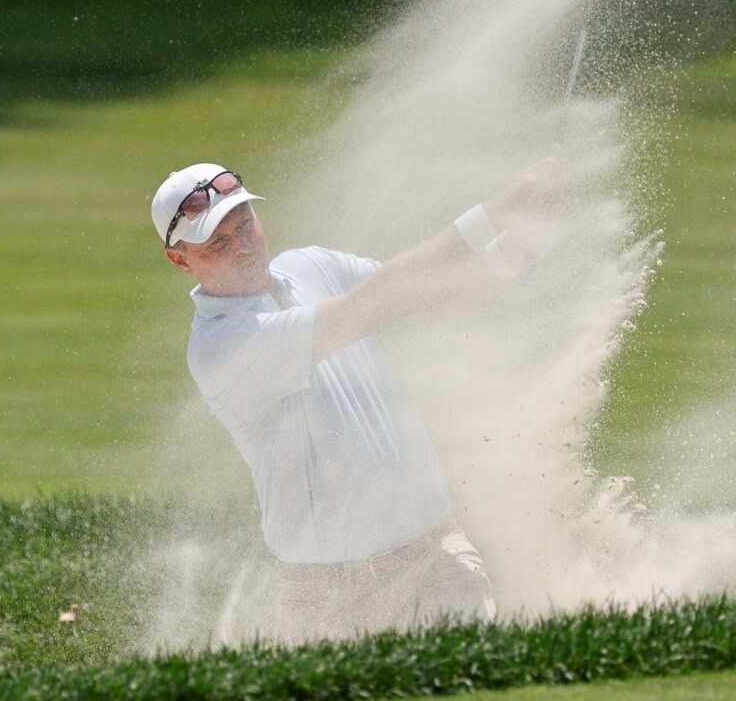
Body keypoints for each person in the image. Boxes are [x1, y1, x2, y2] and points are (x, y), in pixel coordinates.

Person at [151, 159, 555, 645]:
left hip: (436, 559)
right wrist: (494, 214)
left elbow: (429, 295)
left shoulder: (310, 266)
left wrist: (516, 248)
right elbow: (371, 303)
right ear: (180, 259)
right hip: (323, 595)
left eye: (244, 225)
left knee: (476, 700)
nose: (242, 245)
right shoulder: (221, 346)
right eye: (218, 241)